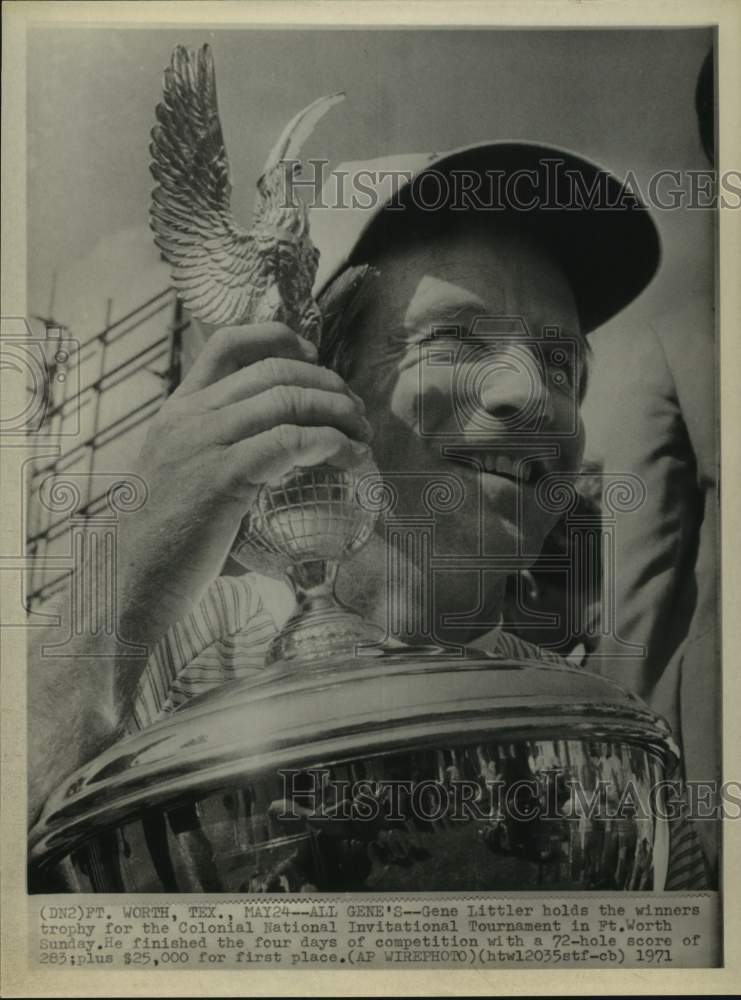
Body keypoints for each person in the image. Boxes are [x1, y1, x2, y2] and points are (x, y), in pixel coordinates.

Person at [27, 139, 706, 888]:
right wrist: (128, 568)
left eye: (559, 362)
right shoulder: (167, 650)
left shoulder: (598, 735)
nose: (530, 397)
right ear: (309, 379)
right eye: (454, 340)